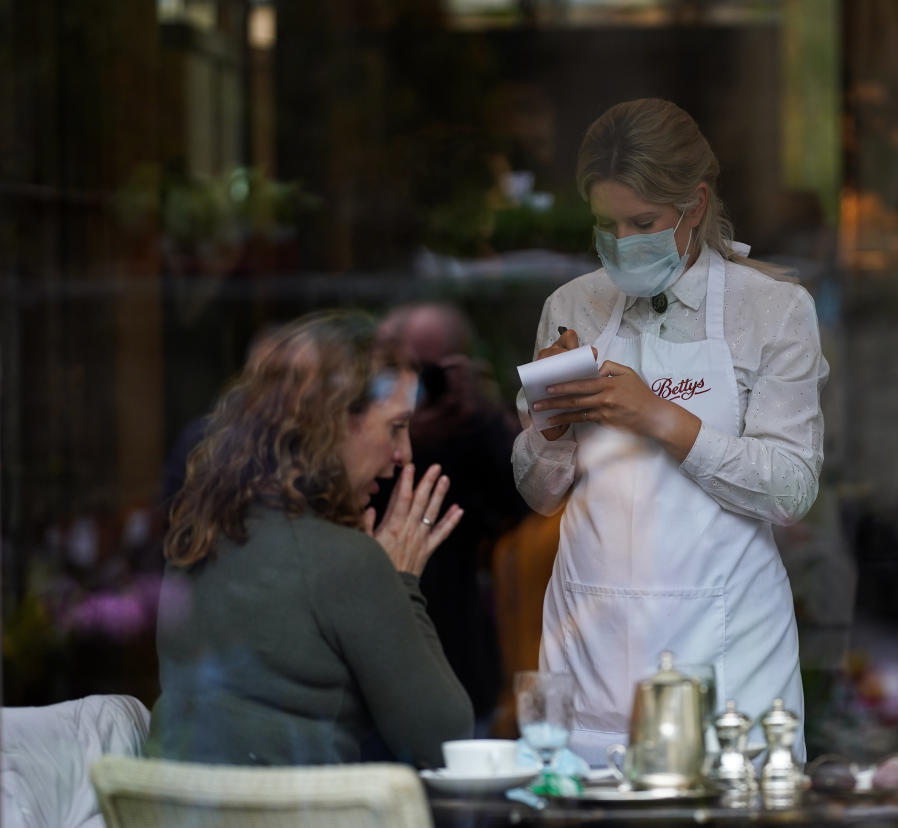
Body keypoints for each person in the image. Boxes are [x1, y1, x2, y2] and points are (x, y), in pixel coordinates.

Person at [511, 98, 830, 763]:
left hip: (730, 651)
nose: (624, 242)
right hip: (592, 641)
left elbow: (791, 491)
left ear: (694, 205)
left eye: (644, 222)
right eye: (606, 224)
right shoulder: (571, 307)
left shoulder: (770, 310)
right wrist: (549, 425)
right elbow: (540, 493)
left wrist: (656, 415)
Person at [145, 310, 472, 768]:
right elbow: (445, 740)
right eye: (396, 427)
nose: (405, 454)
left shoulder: (196, 537)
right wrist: (400, 582)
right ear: (334, 422)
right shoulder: (347, 561)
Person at [373, 303, 529, 732]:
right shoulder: (364, 437)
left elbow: (522, 507)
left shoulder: (474, 428)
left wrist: (486, 416)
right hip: (379, 667)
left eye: (432, 370)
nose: (425, 385)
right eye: (407, 369)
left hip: (458, 650)